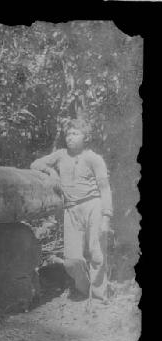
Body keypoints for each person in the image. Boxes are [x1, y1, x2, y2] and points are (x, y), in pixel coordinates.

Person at [30, 120, 113, 301]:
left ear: (86, 137)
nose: (70, 138)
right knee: (71, 260)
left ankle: (99, 296)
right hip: (71, 209)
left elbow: (105, 188)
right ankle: (83, 289)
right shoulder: (60, 155)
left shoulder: (94, 158)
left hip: (94, 206)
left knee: (97, 253)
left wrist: (106, 217)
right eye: (68, 134)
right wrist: (52, 172)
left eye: (75, 133)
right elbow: (35, 164)